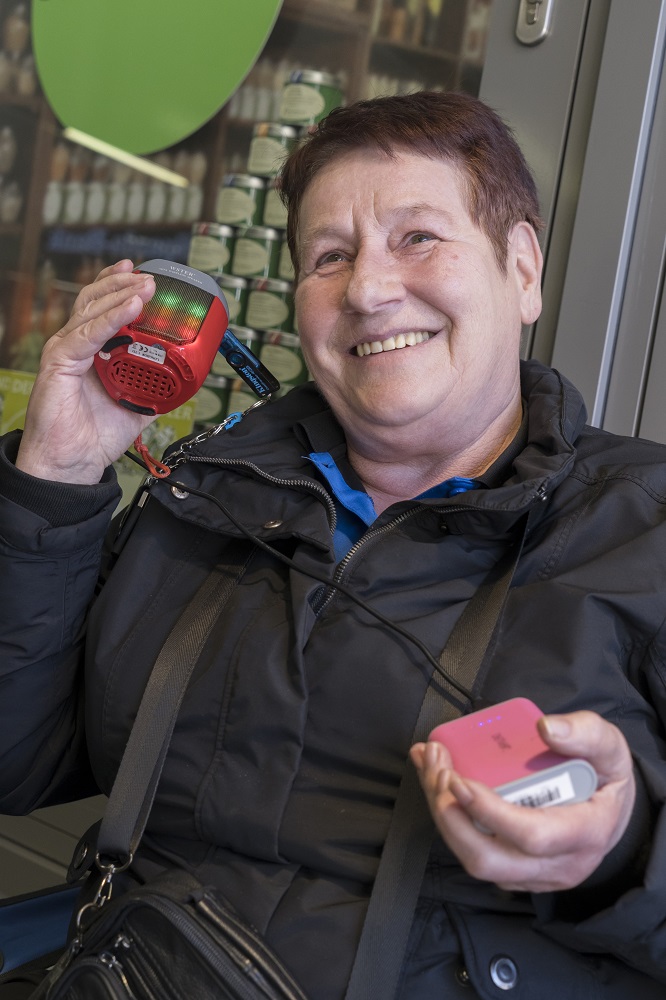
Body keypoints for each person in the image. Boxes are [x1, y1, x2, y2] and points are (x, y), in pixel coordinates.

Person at [1, 90, 666, 998]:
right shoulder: (206, 497)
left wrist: (626, 846)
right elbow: (15, 760)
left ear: (521, 269)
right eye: (330, 256)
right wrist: (57, 475)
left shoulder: (644, 526)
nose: (367, 288)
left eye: (418, 238)